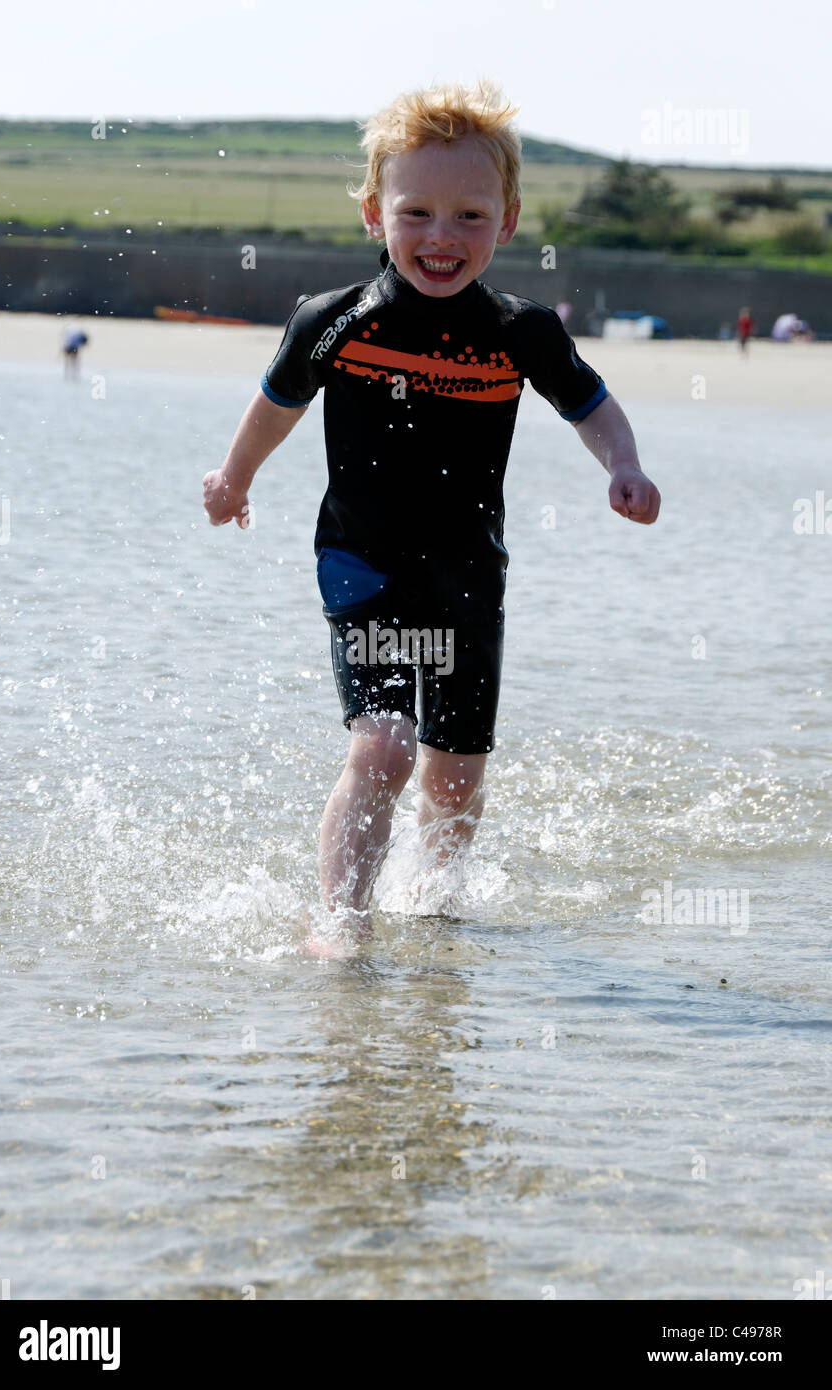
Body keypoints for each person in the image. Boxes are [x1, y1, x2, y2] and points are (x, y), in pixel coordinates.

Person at [202, 81, 661, 945]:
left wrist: (623, 464)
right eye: (416, 213)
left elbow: (590, 406)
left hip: (467, 578)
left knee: (452, 774)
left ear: (508, 221)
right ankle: (338, 920)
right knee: (381, 748)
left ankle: (437, 902)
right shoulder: (335, 322)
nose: (441, 238)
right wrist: (234, 478)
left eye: (468, 217)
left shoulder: (524, 332)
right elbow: (275, 404)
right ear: (375, 214)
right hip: (363, 567)